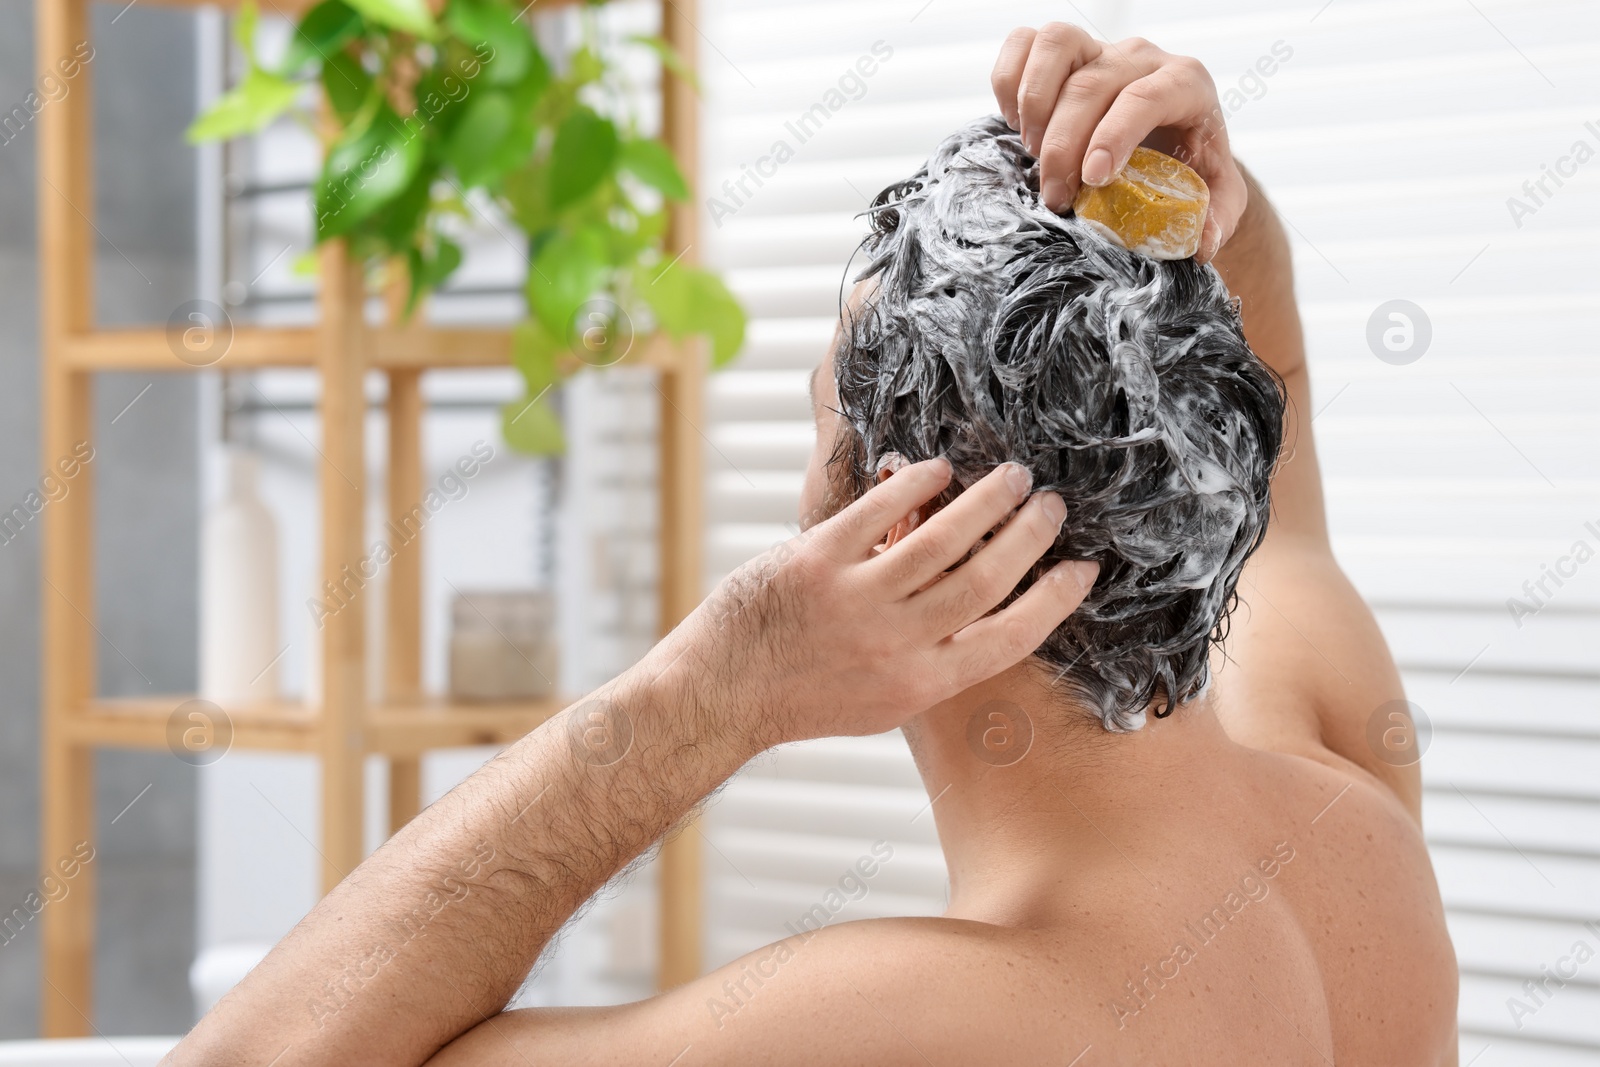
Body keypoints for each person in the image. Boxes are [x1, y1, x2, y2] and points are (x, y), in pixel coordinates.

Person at [167, 25, 1458, 1067]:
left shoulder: (928, 1025)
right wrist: (1201, 188)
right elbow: (1274, 461)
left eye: (816, 418)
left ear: (895, 528)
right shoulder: (1351, 817)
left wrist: (720, 684)